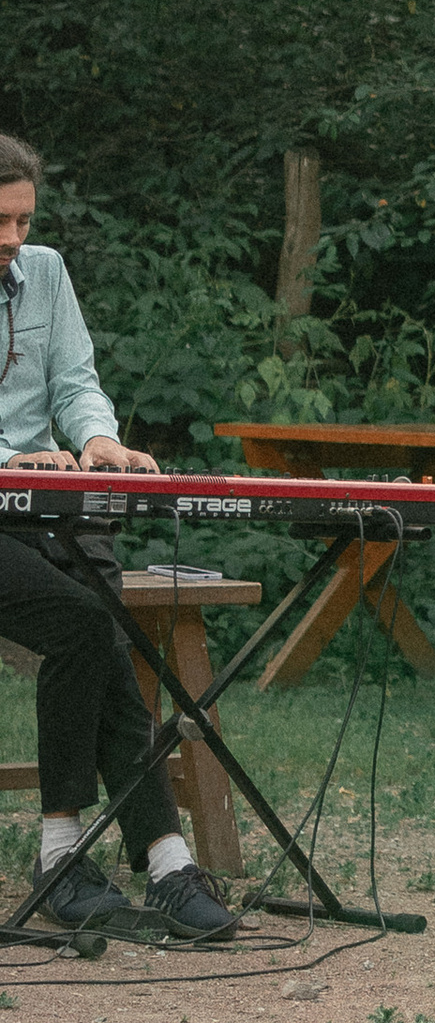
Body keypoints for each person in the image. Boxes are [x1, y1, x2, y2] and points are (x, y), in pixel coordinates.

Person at [0, 136, 233, 945]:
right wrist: (9, 457)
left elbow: (73, 379)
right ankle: (86, 852)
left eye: (23, 220)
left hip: (48, 500)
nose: (12, 239)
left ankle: (155, 860)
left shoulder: (49, 274)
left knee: (108, 631)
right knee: (81, 622)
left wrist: (96, 439)